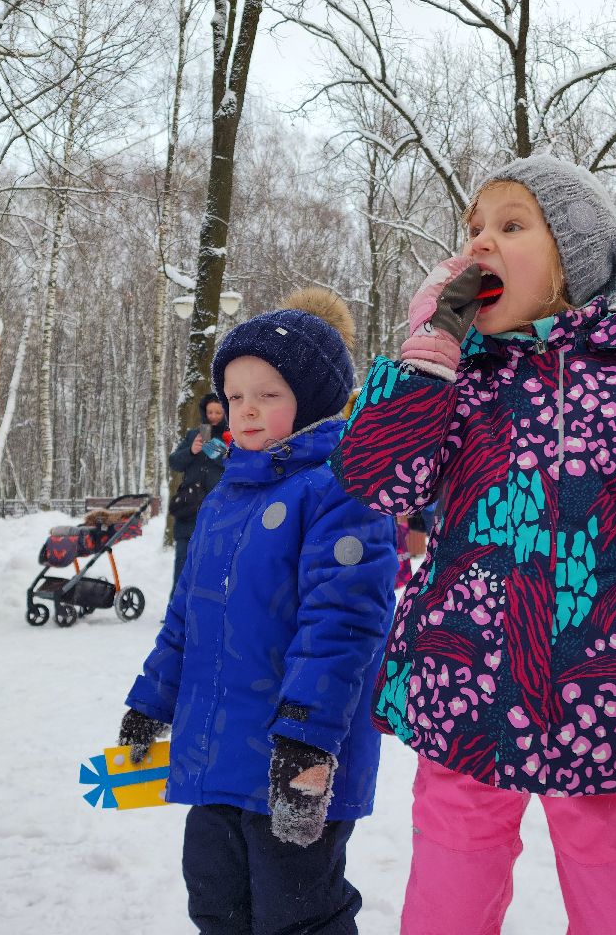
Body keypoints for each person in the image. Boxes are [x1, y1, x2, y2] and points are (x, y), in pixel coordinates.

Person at [333, 154, 616, 935]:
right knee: (447, 908)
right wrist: (429, 352)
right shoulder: (452, 379)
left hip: (609, 703)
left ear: (574, 261)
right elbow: (378, 481)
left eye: (510, 225)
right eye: (471, 230)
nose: (479, 245)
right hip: (465, 690)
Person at [119, 287, 397, 935]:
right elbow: (186, 616)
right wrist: (150, 702)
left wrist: (306, 736)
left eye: (267, 395)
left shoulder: (341, 488)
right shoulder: (223, 498)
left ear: (313, 401)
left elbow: (344, 623)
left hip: (296, 756)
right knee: (216, 905)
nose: (245, 410)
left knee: (298, 914)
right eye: (236, 395)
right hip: (217, 756)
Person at [168, 392, 227, 593]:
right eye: (210, 412)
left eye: (218, 412)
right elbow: (174, 462)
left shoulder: (233, 437)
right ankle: (175, 608)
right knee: (183, 560)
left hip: (217, 508)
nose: (213, 416)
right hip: (189, 507)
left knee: (212, 561)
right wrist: (191, 451)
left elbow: (236, 466)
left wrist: (218, 453)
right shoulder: (195, 434)